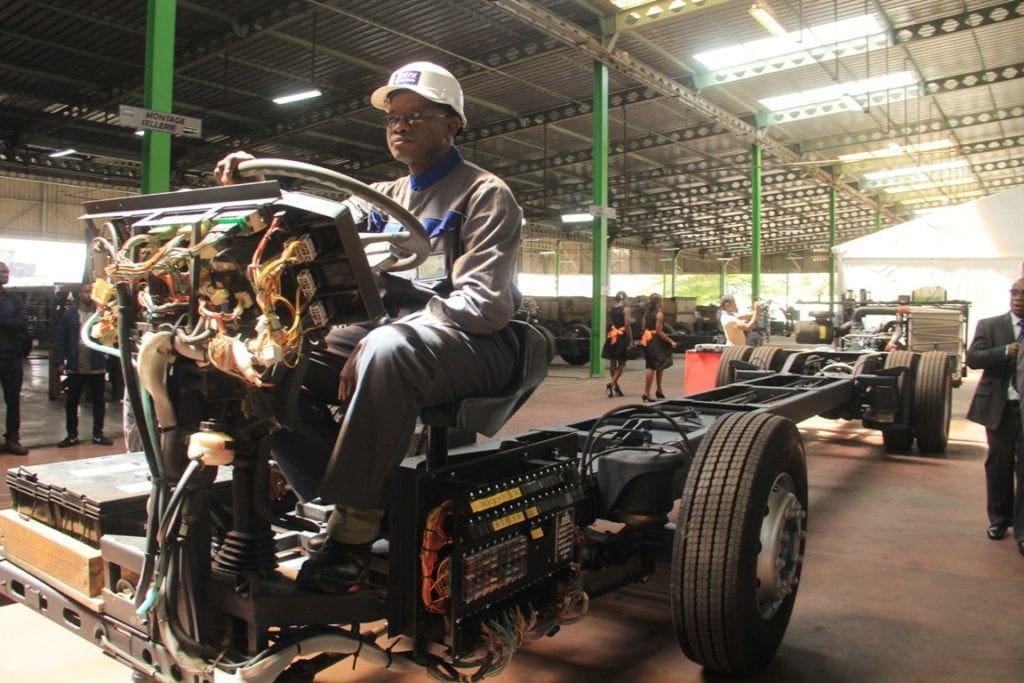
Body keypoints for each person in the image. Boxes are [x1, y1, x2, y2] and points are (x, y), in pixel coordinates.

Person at [215, 61, 522, 593]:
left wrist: (389, 329)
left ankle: (352, 535)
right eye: (392, 118)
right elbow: (311, 226)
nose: (399, 126)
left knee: (386, 349)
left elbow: (484, 304)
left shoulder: (484, 194)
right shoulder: (379, 199)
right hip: (397, 338)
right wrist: (262, 193)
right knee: (266, 363)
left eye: (416, 115)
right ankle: (345, 495)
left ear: (453, 124)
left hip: (481, 342)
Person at [966, 278, 1024, 557]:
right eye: (1015, 292)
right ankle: (999, 520)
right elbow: (973, 358)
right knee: (999, 465)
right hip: (1000, 408)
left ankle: (1022, 531)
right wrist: (1004, 352)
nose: (1018, 298)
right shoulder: (990, 326)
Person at [53, 283, 114, 448]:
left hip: (97, 364)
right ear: (79, 294)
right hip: (76, 365)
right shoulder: (69, 315)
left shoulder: (102, 314)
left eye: (92, 292)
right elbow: (61, 339)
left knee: (98, 401)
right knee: (72, 402)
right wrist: (59, 361)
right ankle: (71, 435)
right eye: (86, 292)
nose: (89, 295)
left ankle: (98, 434)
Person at [0, 262, 29, 455]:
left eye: (7, 271)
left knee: (13, 401)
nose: (6, 274)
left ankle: (12, 439)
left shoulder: (14, 300)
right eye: (2, 271)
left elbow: (22, 324)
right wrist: (9, 324)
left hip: (11, 357)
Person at [640, 293, 676, 402]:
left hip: (646, 339)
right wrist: (670, 341)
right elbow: (659, 331)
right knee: (652, 366)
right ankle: (646, 392)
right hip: (655, 341)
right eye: (662, 301)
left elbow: (643, 326)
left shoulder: (647, 313)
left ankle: (659, 390)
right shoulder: (659, 314)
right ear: (659, 302)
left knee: (658, 365)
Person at [601, 291, 633, 397]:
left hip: (612, 336)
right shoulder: (626, 309)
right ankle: (612, 383)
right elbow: (627, 325)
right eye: (627, 299)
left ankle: (615, 386)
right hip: (621, 337)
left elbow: (614, 322)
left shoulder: (612, 309)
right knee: (622, 363)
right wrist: (631, 340)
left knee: (612, 363)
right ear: (624, 299)